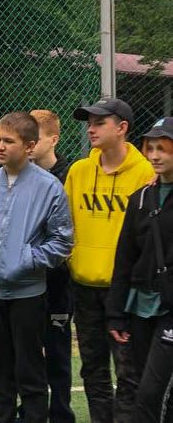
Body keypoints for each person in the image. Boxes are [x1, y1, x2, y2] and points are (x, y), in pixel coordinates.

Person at [0, 112, 73, 423]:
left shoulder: (49, 187)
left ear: (29, 146)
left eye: (8, 141)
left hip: (28, 294)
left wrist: (26, 261)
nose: (0, 146)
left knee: (30, 370)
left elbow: (62, 241)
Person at [65, 98, 155, 423]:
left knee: (129, 373)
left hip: (127, 293)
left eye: (99, 123)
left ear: (122, 128)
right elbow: (65, 225)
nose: (91, 129)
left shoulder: (146, 173)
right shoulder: (78, 171)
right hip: (84, 287)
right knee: (93, 370)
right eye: (89, 123)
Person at [107, 117, 173, 423]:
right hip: (141, 307)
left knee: (151, 393)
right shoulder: (141, 198)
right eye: (151, 148)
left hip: (169, 310)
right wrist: (115, 313)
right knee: (144, 387)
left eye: (163, 149)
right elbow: (125, 258)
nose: (155, 155)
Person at [27, 109, 74, 423]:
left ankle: (60, 414)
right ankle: (29, 412)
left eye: (37, 137)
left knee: (57, 351)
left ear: (54, 139)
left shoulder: (71, 176)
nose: (30, 144)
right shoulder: (19, 175)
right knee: (27, 351)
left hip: (58, 281)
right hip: (27, 279)